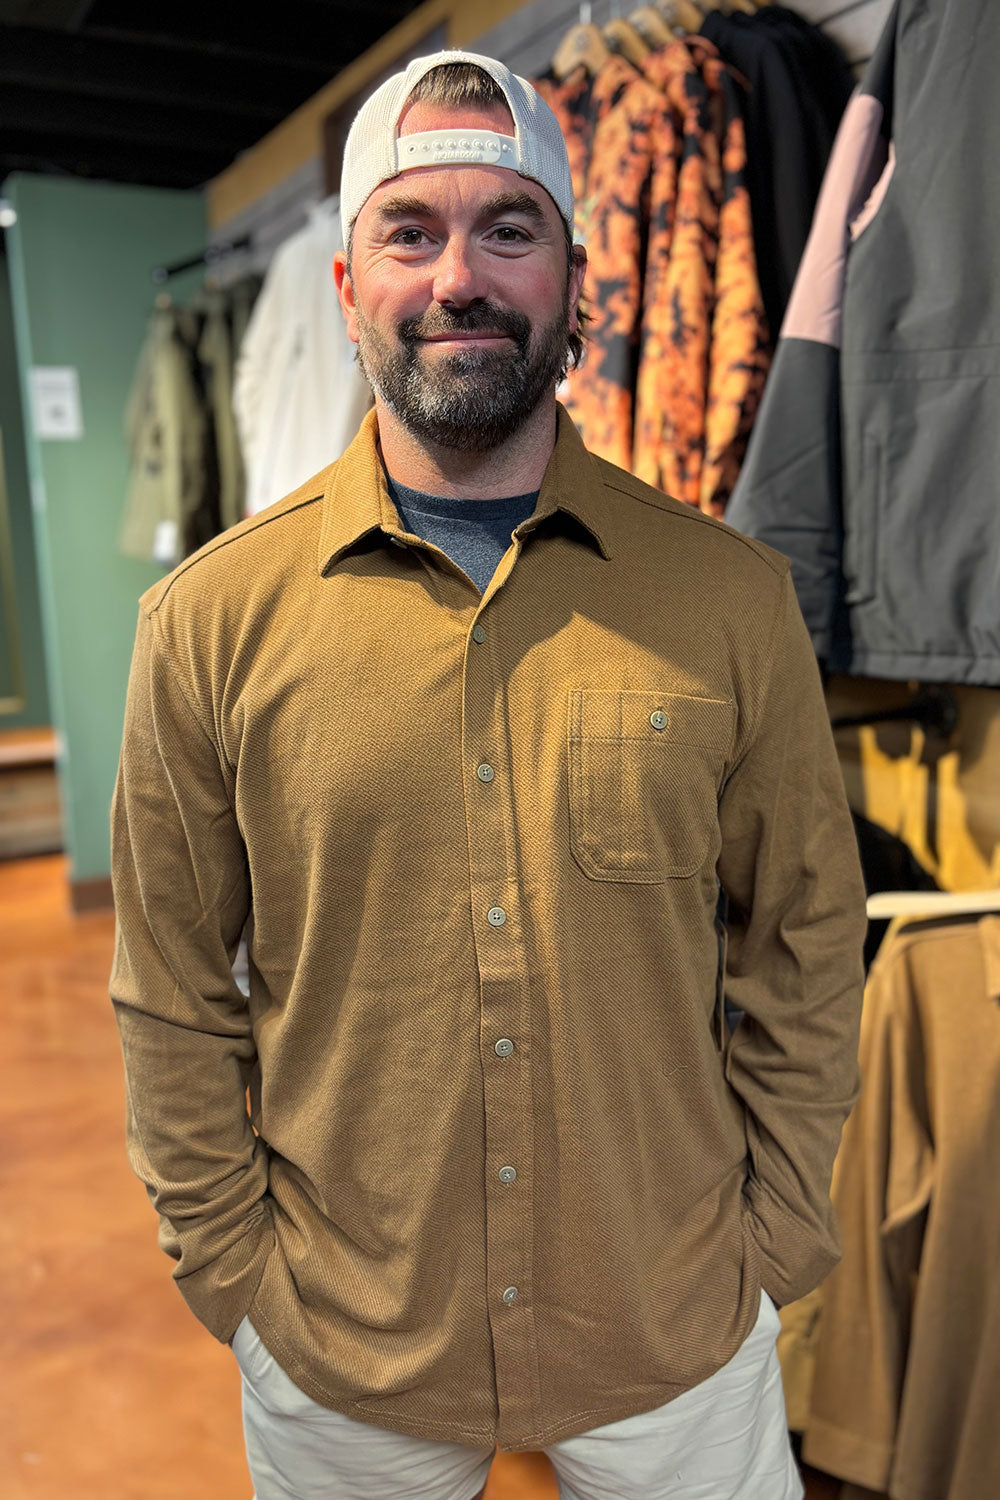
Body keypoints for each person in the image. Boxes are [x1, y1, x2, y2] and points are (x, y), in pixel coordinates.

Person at [110, 49, 867, 1500]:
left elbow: (807, 937)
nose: (459, 276)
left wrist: (774, 1239)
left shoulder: (729, 599)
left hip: (674, 1321)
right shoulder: (209, 623)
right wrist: (235, 1278)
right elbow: (172, 988)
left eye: (508, 229)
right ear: (347, 289)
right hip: (345, 1336)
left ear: (576, 279)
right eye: (411, 232)